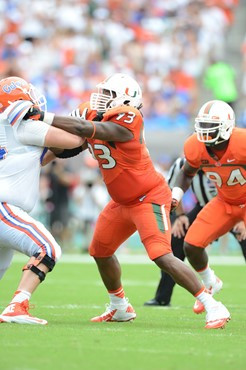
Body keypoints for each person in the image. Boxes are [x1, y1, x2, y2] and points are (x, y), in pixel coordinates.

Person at [23, 73, 231, 329]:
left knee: (161, 255)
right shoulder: (90, 113)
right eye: (103, 93)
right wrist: (36, 160)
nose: (101, 98)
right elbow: (73, 143)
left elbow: (88, 129)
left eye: (109, 95)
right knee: (100, 251)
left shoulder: (131, 117)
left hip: (148, 197)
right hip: (121, 201)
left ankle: (212, 304)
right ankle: (120, 306)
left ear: (126, 100)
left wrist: (42, 116)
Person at [0, 76, 85, 324]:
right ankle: (17, 305)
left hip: (6, 210)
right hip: (5, 209)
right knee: (47, 248)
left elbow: (39, 157)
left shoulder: (8, 129)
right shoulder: (23, 126)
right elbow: (76, 140)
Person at [170, 99, 246, 315]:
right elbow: (186, 172)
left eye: (210, 127)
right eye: (202, 126)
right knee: (191, 244)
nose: (205, 132)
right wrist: (177, 194)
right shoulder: (195, 145)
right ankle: (210, 281)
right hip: (224, 201)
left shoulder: (242, 142)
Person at [144, 157, 246, 307]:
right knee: (176, 240)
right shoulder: (183, 164)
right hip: (204, 207)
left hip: (236, 207)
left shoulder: (230, 160)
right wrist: (180, 216)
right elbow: (170, 190)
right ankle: (162, 297)